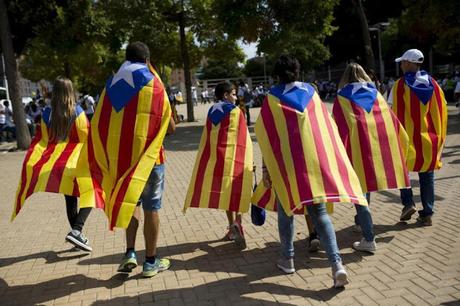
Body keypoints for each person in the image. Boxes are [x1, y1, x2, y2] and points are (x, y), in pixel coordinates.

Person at [256, 55, 368, 288]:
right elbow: (327, 127)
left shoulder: (271, 99)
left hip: (286, 166)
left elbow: (266, 135)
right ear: (298, 72)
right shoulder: (313, 93)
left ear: (277, 75)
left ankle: (287, 259)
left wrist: (266, 168)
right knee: (320, 214)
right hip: (314, 164)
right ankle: (337, 264)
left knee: (286, 210)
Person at [76, 42, 174, 277]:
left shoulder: (110, 86)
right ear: (148, 60)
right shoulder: (155, 83)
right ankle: (150, 262)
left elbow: (100, 122)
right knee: (152, 208)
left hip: (121, 160)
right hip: (151, 160)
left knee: (132, 204)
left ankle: (129, 253)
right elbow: (169, 127)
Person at [333, 63, 412, 252]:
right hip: (379, 150)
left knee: (360, 195)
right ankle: (361, 224)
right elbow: (393, 122)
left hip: (356, 150)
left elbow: (337, 128)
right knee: (364, 189)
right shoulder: (377, 95)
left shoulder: (342, 97)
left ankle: (369, 238)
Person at [13, 77, 92, 251]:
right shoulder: (77, 112)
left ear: (55, 92)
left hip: (57, 165)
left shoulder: (47, 113)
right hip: (77, 162)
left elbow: (41, 141)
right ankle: (77, 230)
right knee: (92, 192)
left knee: (70, 200)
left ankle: (78, 238)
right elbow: (87, 137)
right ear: (70, 92)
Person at [183, 81, 253, 249]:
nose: (236, 97)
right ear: (226, 95)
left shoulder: (211, 111)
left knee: (226, 193)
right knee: (238, 190)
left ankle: (231, 227)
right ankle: (238, 222)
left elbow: (208, 137)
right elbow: (244, 139)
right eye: (234, 94)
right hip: (234, 159)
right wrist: (250, 159)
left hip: (217, 159)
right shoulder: (236, 112)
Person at [388, 49, 447, 226]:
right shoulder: (434, 84)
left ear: (409, 63)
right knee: (426, 175)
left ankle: (408, 204)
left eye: (403, 62)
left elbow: (389, 109)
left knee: (403, 171)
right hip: (428, 138)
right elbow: (442, 108)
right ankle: (427, 212)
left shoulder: (399, 86)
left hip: (405, 138)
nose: (401, 65)